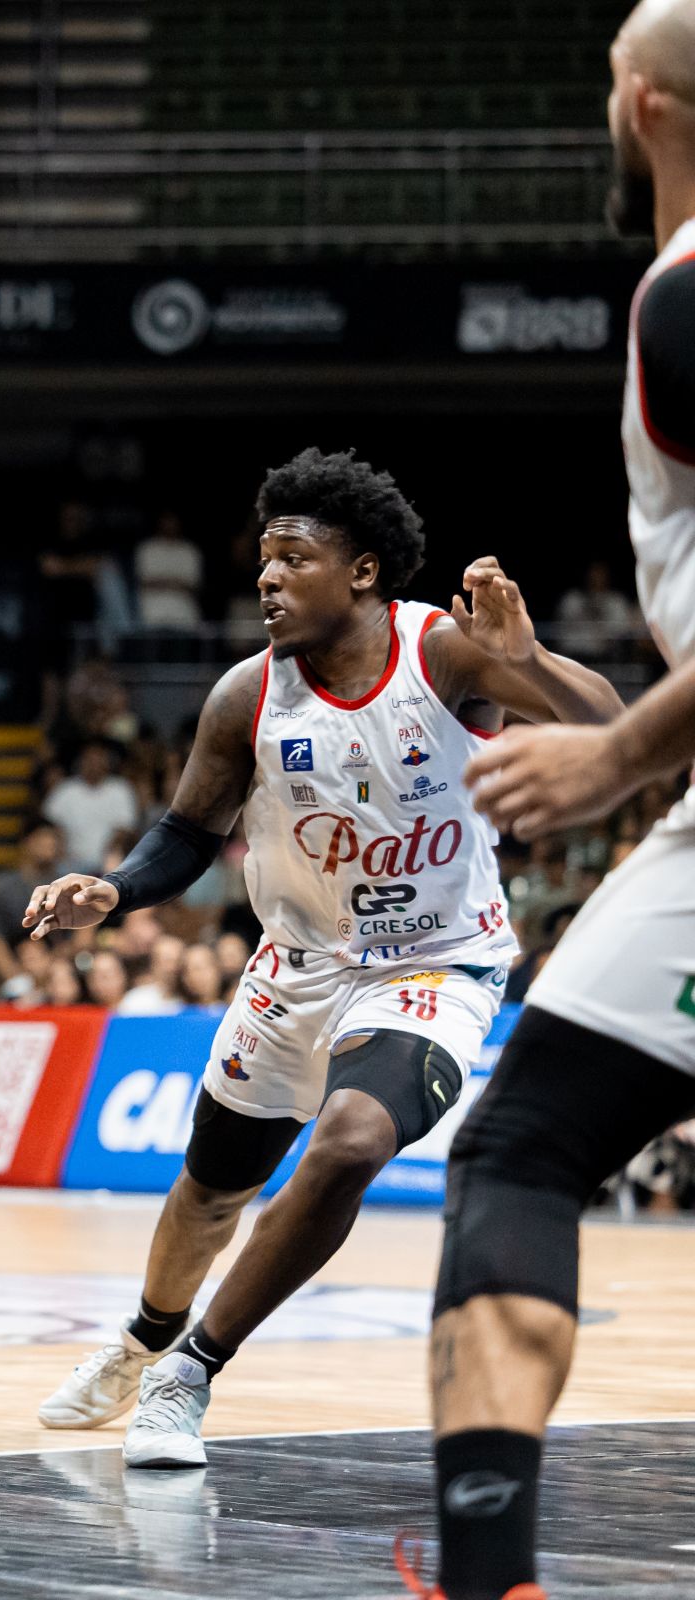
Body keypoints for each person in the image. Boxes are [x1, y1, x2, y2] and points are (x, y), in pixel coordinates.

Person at [24, 448, 620, 1473]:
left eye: (293, 559)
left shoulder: (443, 653)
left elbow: (616, 728)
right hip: (298, 964)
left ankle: (189, 1371)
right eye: (263, 560)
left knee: (349, 1142)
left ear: (363, 571)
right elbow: (187, 833)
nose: (267, 577)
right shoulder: (245, 695)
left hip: (436, 962)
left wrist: (530, 661)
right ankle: (143, 1339)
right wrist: (114, 889)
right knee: (210, 1190)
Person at [423, 14, 695, 1595]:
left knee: (522, 1151)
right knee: (525, 1139)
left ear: (641, 102)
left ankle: (490, 1577)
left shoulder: (686, 291)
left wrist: (613, 757)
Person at [42, 743, 141, 875]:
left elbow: (125, 828)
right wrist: (61, 851)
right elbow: (50, 825)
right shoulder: (65, 789)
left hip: (108, 860)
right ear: (81, 762)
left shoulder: (120, 788)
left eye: (99, 759)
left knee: (116, 867)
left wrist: (110, 852)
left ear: (107, 763)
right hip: (70, 860)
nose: (94, 764)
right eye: (90, 760)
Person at [0, 821, 64, 967]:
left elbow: (80, 937)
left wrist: (55, 967)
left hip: (58, 964)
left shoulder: (67, 884)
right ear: (27, 842)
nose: (48, 845)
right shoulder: (1, 888)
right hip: (15, 961)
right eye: (42, 840)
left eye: (52, 841)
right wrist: (14, 975)